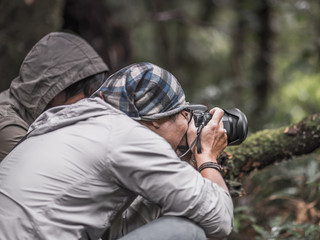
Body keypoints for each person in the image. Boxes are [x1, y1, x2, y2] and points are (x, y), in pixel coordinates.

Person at [0, 62, 234, 239]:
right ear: (155, 120)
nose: (188, 120)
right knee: (185, 232)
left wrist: (184, 164)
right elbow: (220, 219)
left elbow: (115, 231)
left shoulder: (67, 121)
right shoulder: (127, 136)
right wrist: (207, 156)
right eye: (183, 113)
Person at [0, 32, 109, 161]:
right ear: (55, 91)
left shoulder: (47, 120)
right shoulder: (8, 128)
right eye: (86, 95)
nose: (89, 105)